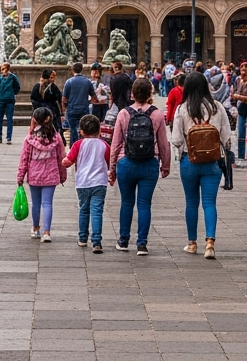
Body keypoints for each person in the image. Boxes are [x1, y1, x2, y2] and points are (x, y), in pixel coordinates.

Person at [170, 71, 234, 259]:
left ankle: (192, 243)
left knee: (191, 202)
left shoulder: (182, 109)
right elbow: (226, 137)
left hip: (189, 161)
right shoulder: (218, 107)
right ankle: (210, 243)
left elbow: (176, 139)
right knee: (209, 203)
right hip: (212, 162)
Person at [108, 77, 171, 255]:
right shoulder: (157, 114)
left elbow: (115, 144)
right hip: (149, 163)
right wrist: (165, 165)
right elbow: (164, 144)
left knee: (127, 203)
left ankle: (123, 240)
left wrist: (112, 168)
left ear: (132, 94)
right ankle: (142, 243)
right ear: (150, 93)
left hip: (126, 163)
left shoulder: (123, 113)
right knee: (144, 205)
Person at [17, 106, 67, 242]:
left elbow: (24, 159)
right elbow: (61, 157)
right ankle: (47, 232)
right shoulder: (56, 138)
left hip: (34, 175)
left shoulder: (29, 138)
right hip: (51, 175)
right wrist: (63, 175)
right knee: (47, 203)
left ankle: (35, 228)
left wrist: (20, 176)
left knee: (36, 203)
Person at [63, 114, 110, 252]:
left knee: (84, 210)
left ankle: (83, 238)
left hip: (82, 182)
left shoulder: (78, 144)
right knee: (97, 211)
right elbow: (109, 162)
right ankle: (96, 242)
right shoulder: (104, 145)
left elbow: (68, 161)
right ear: (99, 130)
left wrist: (62, 161)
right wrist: (112, 175)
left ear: (81, 131)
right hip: (100, 182)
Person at [62, 62, 94, 145]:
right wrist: (88, 102)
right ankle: (83, 145)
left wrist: (64, 109)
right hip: (84, 109)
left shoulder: (69, 82)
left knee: (72, 129)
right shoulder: (87, 82)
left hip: (72, 109)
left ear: (73, 70)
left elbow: (64, 99)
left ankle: (74, 147)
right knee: (84, 128)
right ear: (82, 70)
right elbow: (94, 97)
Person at [0, 62, 21, 144]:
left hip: (9, 100)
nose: (2, 71)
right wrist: (0, 95)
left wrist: (12, 93)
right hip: (1, 100)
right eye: (1, 69)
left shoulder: (12, 77)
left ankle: (8, 138)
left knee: (9, 119)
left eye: (3, 69)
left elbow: (17, 87)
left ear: (8, 69)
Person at [31, 69, 62, 136]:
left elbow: (59, 97)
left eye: (54, 78)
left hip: (52, 111)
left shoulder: (53, 87)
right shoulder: (38, 86)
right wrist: (40, 107)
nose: (53, 79)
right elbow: (33, 99)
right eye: (51, 77)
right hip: (41, 112)